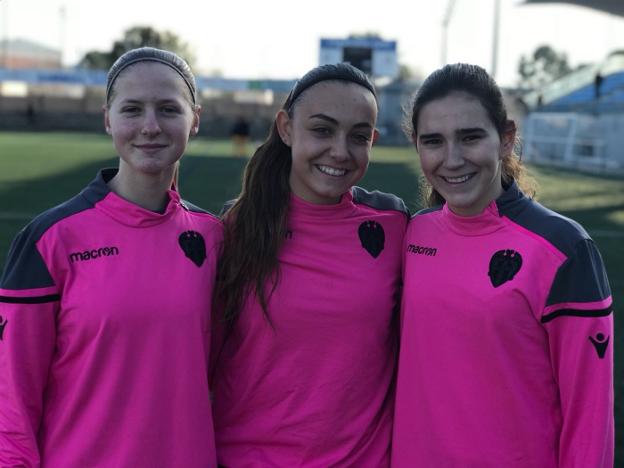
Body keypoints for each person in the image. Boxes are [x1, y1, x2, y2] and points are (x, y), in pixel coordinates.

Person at [0, 47, 221, 467]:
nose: (150, 126)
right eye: (132, 109)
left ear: (195, 118)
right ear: (108, 119)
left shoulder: (214, 237)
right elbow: (11, 397)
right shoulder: (51, 239)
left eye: (168, 109)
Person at [392, 63, 614, 467]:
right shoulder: (414, 234)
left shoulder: (563, 247)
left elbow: (590, 414)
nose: (452, 159)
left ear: (506, 138)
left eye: (470, 137)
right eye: (434, 142)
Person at [212, 63, 408, 466]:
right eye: (322, 130)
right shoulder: (234, 229)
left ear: (372, 140)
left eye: (358, 137)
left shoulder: (394, 225)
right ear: (286, 128)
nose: (340, 151)